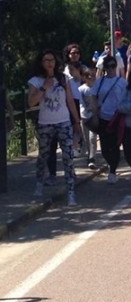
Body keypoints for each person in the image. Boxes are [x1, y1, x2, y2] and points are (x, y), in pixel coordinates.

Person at [27, 50, 82, 205]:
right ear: (41, 63)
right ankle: (39, 184)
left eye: (52, 60)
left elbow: (70, 101)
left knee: (68, 157)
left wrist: (76, 122)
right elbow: (31, 103)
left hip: (63, 122)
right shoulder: (35, 81)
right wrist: (44, 88)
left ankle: (71, 191)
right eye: (46, 60)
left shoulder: (63, 79)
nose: (49, 63)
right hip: (45, 123)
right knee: (43, 155)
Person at [89, 55, 127, 184]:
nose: (111, 69)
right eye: (109, 66)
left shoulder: (122, 82)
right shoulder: (100, 81)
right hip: (103, 118)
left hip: (117, 118)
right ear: (105, 68)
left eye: (113, 66)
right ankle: (111, 163)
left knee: (115, 145)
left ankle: (112, 170)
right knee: (105, 146)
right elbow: (93, 97)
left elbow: (126, 98)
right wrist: (94, 113)